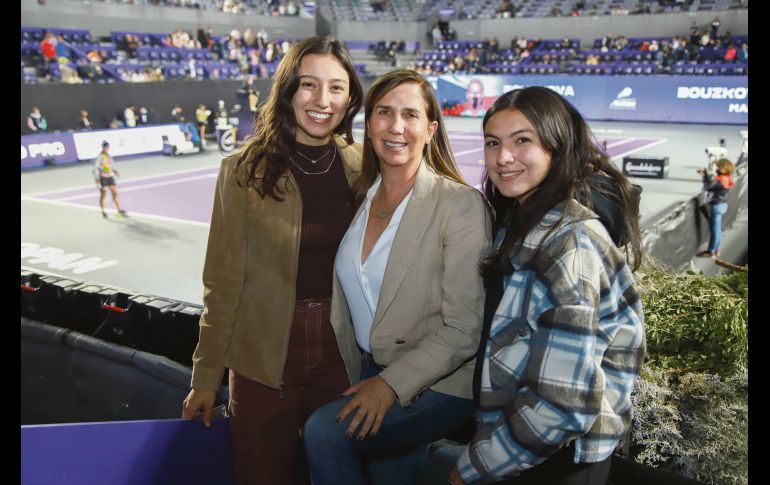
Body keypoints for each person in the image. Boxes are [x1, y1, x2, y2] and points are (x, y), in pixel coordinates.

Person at [181, 36, 364, 485]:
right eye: (309, 85)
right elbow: (221, 283)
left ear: (350, 98)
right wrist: (205, 376)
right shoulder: (242, 171)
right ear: (287, 92)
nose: (323, 100)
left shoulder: (365, 168)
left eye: (336, 88)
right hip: (261, 358)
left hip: (342, 355)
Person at [303, 69, 491, 485]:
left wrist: (389, 386)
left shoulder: (459, 205)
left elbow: (464, 329)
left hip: (441, 381)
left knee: (324, 433)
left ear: (431, 129)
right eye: (384, 113)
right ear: (368, 125)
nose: (396, 126)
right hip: (369, 370)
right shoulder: (357, 197)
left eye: (410, 115)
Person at [449, 86, 646, 485]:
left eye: (523, 141)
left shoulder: (568, 248)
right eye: (493, 143)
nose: (503, 158)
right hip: (528, 446)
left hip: (553, 461)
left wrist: (475, 467)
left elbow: (560, 406)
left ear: (556, 147)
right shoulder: (523, 220)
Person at [697, 158, 735, 258]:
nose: (717, 168)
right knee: (717, 229)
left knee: (715, 230)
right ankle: (716, 249)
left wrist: (704, 177)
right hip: (722, 205)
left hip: (717, 206)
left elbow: (707, 187)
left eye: (718, 167)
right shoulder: (727, 177)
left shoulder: (720, 180)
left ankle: (711, 251)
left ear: (723, 168)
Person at [93, 141, 127, 219]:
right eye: (105, 147)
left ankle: (119, 210)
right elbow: (96, 168)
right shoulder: (100, 157)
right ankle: (103, 211)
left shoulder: (109, 156)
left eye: (107, 147)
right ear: (102, 147)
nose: (106, 148)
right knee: (103, 195)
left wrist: (115, 171)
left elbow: (110, 166)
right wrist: (97, 179)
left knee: (115, 193)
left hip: (110, 177)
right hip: (103, 178)